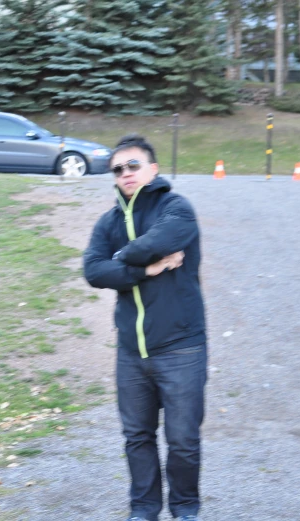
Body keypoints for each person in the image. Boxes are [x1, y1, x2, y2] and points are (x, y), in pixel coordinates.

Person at [83, 135, 207, 521]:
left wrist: (120, 260)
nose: (125, 174)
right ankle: (144, 510)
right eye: (118, 169)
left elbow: (155, 242)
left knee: (183, 441)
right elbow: (92, 270)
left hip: (181, 348)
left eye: (133, 165)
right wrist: (145, 269)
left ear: (152, 169)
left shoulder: (177, 208)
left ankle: (186, 509)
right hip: (131, 353)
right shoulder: (109, 221)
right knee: (137, 438)